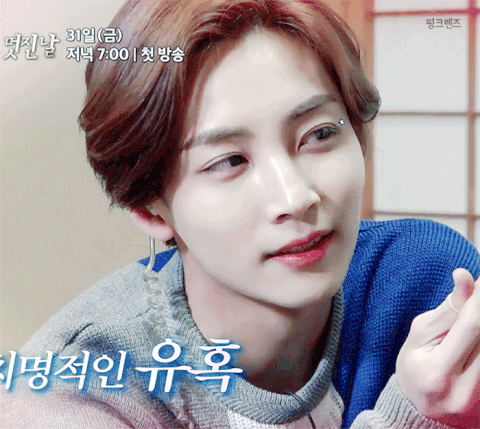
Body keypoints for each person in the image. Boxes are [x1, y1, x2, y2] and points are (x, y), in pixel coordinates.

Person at [2, 0, 480, 428]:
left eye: (318, 134)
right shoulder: (77, 390)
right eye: (229, 161)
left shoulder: (422, 278)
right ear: (148, 208)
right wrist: (418, 417)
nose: (295, 197)